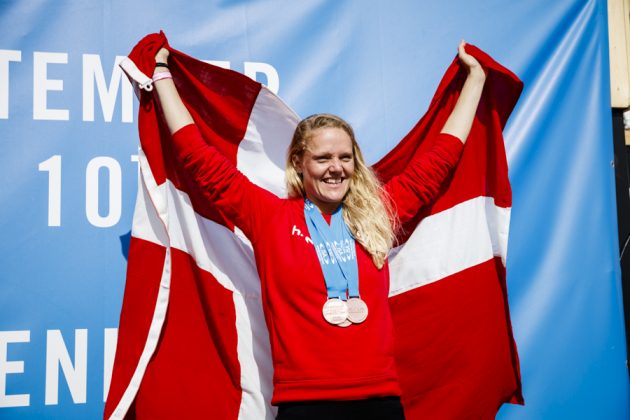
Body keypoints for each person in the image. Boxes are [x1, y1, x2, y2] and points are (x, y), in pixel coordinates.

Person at [150, 41, 485, 420]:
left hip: (380, 400)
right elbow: (199, 159)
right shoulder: (269, 216)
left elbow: (439, 163)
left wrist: (475, 81)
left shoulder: (376, 213)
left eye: (345, 157)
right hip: (304, 404)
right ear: (299, 162)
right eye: (323, 158)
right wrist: (162, 75)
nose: (335, 168)